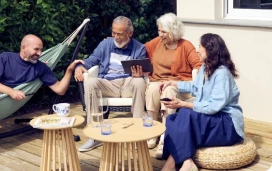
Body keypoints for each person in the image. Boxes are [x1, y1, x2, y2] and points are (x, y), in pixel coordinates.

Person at [159, 33, 244, 171]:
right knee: (172, 119)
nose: (197, 50)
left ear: (210, 49)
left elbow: (214, 107)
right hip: (213, 119)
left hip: (227, 124)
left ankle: (171, 164)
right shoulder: (205, 68)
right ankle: (186, 162)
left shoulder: (222, 73)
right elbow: (195, 87)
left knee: (185, 113)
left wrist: (183, 104)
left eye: (199, 46)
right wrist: (172, 83)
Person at [0, 34, 83, 111]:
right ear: (24, 47)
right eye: (36, 49)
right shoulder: (5, 57)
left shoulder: (41, 68)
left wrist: (69, 71)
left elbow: (60, 90)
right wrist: (11, 91)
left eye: (41, 50)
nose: (40, 53)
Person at [74, 16, 147, 152]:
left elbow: (143, 71)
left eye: (119, 33)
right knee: (90, 82)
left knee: (139, 81)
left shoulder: (139, 48)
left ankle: (137, 131)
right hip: (108, 83)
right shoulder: (105, 44)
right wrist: (78, 66)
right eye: (113, 33)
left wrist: (139, 75)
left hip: (128, 84)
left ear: (129, 33)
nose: (115, 36)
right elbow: (90, 61)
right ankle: (94, 134)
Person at [143, 13, 202, 155]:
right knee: (152, 88)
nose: (160, 34)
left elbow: (198, 64)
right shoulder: (156, 43)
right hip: (158, 82)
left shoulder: (185, 45)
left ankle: (165, 136)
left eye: (163, 31)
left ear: (173, 31)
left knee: (168, 90)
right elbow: (138, 49)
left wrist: (193, 79)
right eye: (159, 30)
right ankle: (152, 132)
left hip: (179, 85)